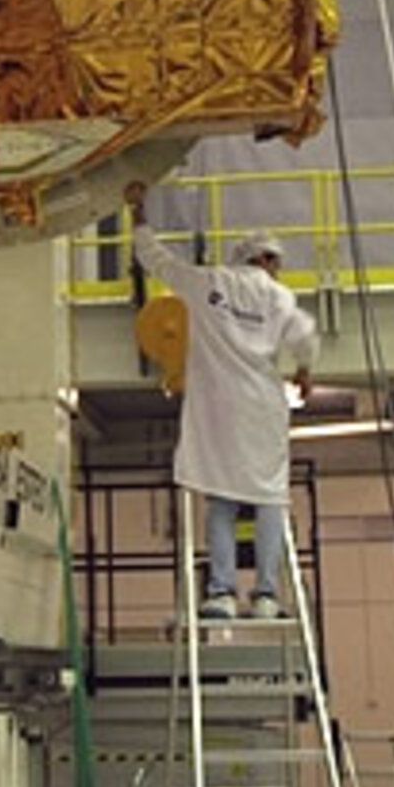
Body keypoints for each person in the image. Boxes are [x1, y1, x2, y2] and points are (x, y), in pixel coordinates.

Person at [125, 182, 314, 620]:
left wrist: (137, 210)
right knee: (269, 498)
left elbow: (154, 259)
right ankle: (266, 595)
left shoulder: (207, 282)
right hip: (263, 407)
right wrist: (304, 374)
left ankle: (223, 592)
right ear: (266, 261)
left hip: (216, 408)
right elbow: (305, 339)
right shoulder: (280, 297)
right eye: (276, 261)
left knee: (222, 497)